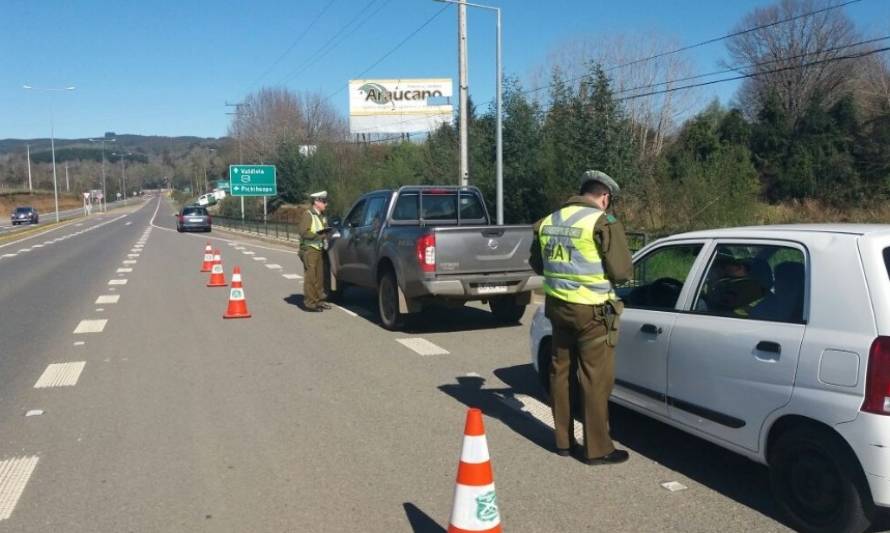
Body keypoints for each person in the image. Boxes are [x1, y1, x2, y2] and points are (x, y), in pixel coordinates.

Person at [529, 170, 634, 465]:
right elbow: (622, 272)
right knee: (594, 378)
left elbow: (537, 265)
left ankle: (562, 441)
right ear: (604, 197)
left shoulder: (548, 221)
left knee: (559, 373)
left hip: (558, 308)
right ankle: (597, 449)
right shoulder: (602, 222)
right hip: (592, 312)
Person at [298, 191, 330, 312]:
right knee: (311, 277)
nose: (326, 204)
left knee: (319, 277)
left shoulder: (322, 215)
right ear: (316, 202)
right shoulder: (308, 214)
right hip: (309, 249)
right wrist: (319, 236)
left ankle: (319, 301)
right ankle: (310, 303)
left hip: (319, 248)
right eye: (324, 202)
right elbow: (303, 232)